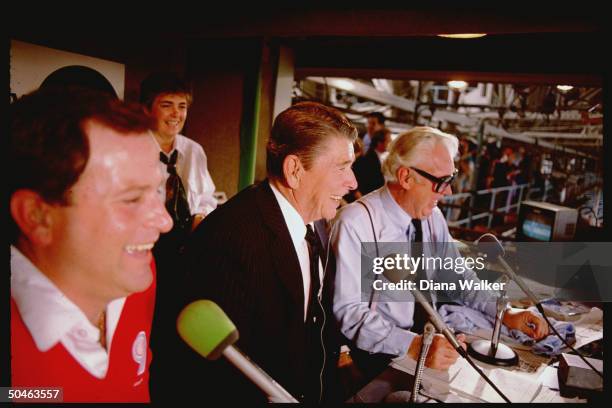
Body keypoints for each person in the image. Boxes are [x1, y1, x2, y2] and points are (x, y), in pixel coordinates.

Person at [332, 126, 548, 381]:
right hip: (379, 356)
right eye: (441, 182)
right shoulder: (356, 223)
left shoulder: (432, 217)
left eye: (452, 178)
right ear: (406, 177)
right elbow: (350, 313)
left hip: (431, 343)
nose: (449, 192)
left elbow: (459, 279)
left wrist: (505, 313)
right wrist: (413, 346)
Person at [180, 101, 358, 403]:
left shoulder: (317, 223)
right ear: (294, 170)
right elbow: (220, 373)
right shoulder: (232, 239)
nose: (353, 182)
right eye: (341, 168)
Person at [9, 87, 173, 402]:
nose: (164, 221)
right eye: (132, 198)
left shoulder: (136, 275)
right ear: (37, 217)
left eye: (156, 192)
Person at [139, 71, 217, 401]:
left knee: (178, 322)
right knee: (147, 321)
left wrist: (201, 216)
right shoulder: (131, 146)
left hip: (185, 249)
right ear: (147, 109)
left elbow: (206, 197)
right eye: (166, 105)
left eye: (182, 106)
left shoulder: (193, 151)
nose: (176, 114)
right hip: (147, 247)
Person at [353, 128, 391, 198]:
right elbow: (357, 186)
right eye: (388, 141)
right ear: (379, 143)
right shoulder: (367, 159)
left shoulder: (383, 158)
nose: (390, 143)